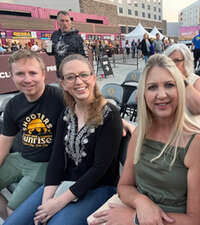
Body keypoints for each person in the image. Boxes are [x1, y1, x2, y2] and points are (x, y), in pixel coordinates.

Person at [89, 54, 200, 225]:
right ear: (144, 93)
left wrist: (134, 219)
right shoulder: (141, 133)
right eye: (152, 87)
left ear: (180, 88)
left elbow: (196, 220)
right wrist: (142, 202)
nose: (161, 95)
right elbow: (124, 187)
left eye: (169, 85)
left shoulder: (198, 143)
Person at [4, 54, 123, 225]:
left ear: (93, 77)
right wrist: (46, 202)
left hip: (98, 187)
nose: (78, 81)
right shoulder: (67, 113)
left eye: (83, 75)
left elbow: (100, 169)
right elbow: (57, 160)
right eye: (71, 77)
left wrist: (58, 203)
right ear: (64, 84)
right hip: (65, 183)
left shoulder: (110, 114)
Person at [0, 49, 64, 219]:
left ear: (43, 74)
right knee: (11, 214)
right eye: (20, 74)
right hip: (20, 158)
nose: (27, 79)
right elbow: (5, 141)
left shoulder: (59, 97)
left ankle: (14, 219)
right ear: (12, 77)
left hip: (44, 165)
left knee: (13, 210)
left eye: (32, 73)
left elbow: (91, 107)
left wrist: (122, 122)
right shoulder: (13, 105)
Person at [165, 43, 200, 130]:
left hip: (192, 135)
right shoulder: (163, 81)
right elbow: (140, 99)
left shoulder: (197, 81)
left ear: (187, 61)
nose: (171, 65)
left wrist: (182, 80)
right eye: (168, 61)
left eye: (176, 61)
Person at [42, 10, 86, 78]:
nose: (65, 23)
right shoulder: (54, 35)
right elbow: (51, 52)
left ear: (70, 22)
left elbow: (84, 57)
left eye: (67, 20)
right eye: (62, 21)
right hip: (61, 74)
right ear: (57, 22)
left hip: (74, 74)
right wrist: (46, 48)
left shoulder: (77, 37)